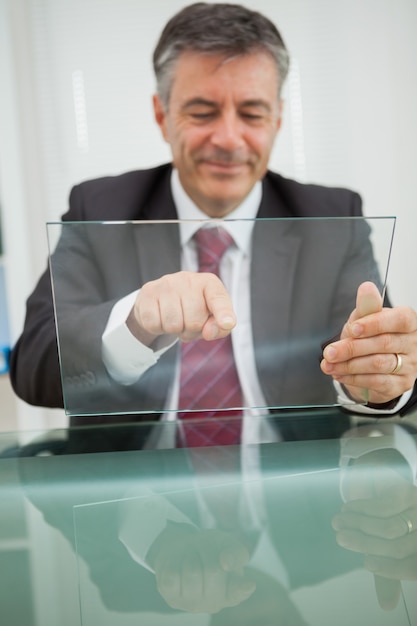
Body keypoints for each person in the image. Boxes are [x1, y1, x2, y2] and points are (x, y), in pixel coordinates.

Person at [9, 2, 417, 445]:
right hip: (129, 499)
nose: (227, 138)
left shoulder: (334, 217)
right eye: (202, 112)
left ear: (278, 119)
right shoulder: (100, 208)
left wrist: (376, 376)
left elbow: (380, 364)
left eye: (252, 113)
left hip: (296, 490)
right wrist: (135, 324)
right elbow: (32, 366)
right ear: (162, 115)